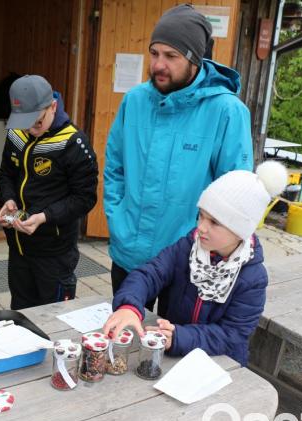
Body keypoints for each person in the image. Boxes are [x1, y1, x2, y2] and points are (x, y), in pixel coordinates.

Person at [104, 4, 253, 301]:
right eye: (155, 53)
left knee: (175, 344)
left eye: (171, 56)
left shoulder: (226, 111)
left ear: (195, 59)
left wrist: (204, 241)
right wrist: (117, 218)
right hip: (129, 253)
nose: (159, 65)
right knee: (124, 340)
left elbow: (236, 193)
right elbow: (115, 167)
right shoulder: (134, 101)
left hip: (188, 262)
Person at [102, 161, 287, 366]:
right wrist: (129, 304)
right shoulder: (188, 247)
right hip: (171, 354)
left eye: (214, 222)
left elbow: (232, 334)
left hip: (219, 365)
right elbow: (149, 273)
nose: (201, 228)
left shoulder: (252, 277)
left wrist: (181, 337)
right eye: (201, 216)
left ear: (240, 230)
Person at [0, 75, 98, 310]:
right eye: (25, 123)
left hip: (55, 253)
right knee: (20, 314)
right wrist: (8, 199)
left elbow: (85, 198)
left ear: (52, 106)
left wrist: (45, 217)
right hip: (18, 247)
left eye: (38, 123)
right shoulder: (17, 133)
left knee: (53, 319)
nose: (31, 130)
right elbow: (6, 175)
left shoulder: (74, 142)